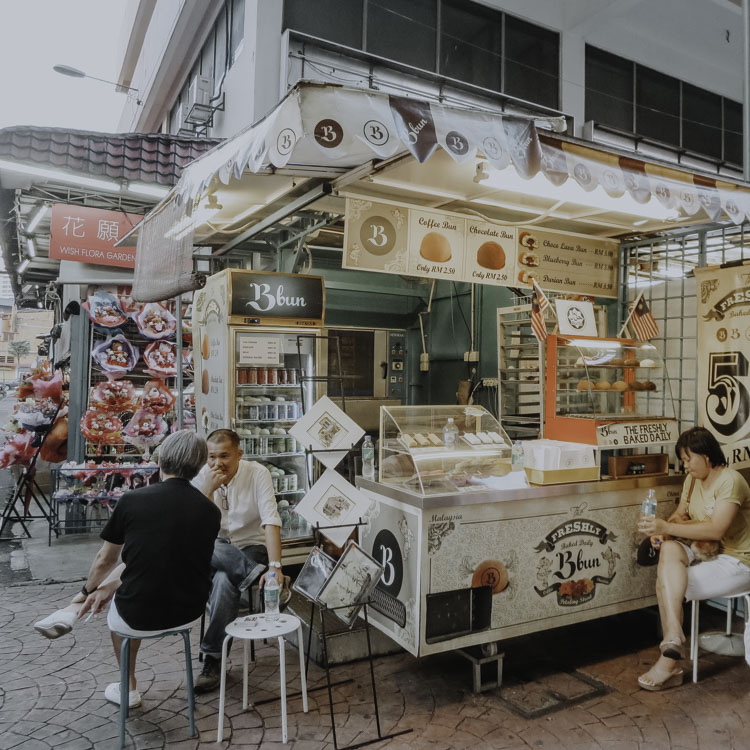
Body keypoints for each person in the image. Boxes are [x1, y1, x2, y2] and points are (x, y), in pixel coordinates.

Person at [35, 431, 221, 708]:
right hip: (188, 611)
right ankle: (74, 610)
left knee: (123, 609)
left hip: (138, 612)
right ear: (199, 465)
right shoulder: (210, 511)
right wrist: (108, 585)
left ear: (161, 460)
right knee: (131, 579)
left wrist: (87, 590)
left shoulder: (133, 500)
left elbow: (104, 560)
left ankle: (128, 686)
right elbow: (159, 556)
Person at [637, 426, 750, 691]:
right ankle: (674, 637)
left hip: (738, 559)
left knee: (670, 584)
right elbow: (680, 514)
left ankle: (670, 662)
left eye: (688, 459)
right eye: (683, 460)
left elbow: (716, 529)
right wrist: (664, 532)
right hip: (708, 553)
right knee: (668, 553)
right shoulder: (692, 481)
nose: (685, 465)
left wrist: (668, 528)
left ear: (707, 456)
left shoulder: (730, 481)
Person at [191, 428, 284, 693]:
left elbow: (270, 520)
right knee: (213, 549)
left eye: (224, 456)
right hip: (215, 546)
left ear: (238, 454)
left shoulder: (257, 473)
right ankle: (253, 575)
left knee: (223, 580)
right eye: (211, 457)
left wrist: (276, 567)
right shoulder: (202, 477)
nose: (216, 463)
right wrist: (209, 491)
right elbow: (197, 528)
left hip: (250, 546)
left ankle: (213, 658)